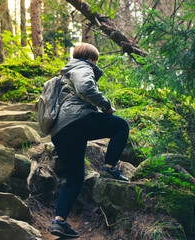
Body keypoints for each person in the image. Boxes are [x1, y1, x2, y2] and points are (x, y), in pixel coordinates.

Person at [49, 43, 130, 238]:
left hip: (60, 130)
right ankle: (109, 168)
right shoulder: (82, 66)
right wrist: (106, 105)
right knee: (121, 126)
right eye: (96, 61)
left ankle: (59, 222)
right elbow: (85, 87)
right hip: (76, 120)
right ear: (91, 59)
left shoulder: (66, 72)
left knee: (75, 179)